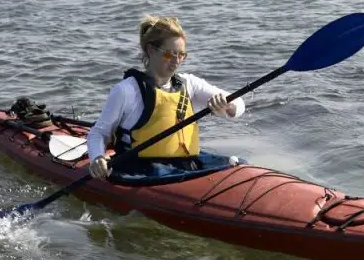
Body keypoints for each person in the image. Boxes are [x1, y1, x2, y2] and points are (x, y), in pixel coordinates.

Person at [86, 14, 246, 180]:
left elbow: (239, 104)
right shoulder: (126, 91)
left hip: (186, 167)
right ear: (150, 50)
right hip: (142, 171)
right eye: (170, 54)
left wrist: (228, 106)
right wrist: (97, 157)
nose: (176, 61)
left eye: (181, 55)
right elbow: (98, 133)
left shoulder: (189, 84)